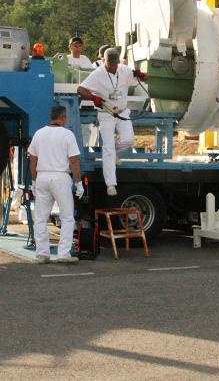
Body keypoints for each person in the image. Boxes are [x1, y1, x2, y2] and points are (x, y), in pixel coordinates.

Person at [77, 47, 147, 196]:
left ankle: (115, 154)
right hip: (106, 113)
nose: (113, 67)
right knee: (108, 148)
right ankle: (110, 184)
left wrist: (141, 75)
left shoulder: (124, 70)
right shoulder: (97, 74)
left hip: (122, 112)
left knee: (128, 139)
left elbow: (143, 79)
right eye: (110, 65)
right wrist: (93, 98)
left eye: (115, 65)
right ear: (105, 61)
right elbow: (80, 89)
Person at [27, 104, 85, 264]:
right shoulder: (68, 135)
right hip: (60, 178)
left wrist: (34, 181)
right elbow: (74, 161)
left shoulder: (39, 134)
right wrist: (79, 182)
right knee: (67, 217)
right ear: (63, 117)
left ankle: (42, 254)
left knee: (40, 218)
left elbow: (32, 161)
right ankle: (63, 254)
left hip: (42, 177)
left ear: (51, 117)